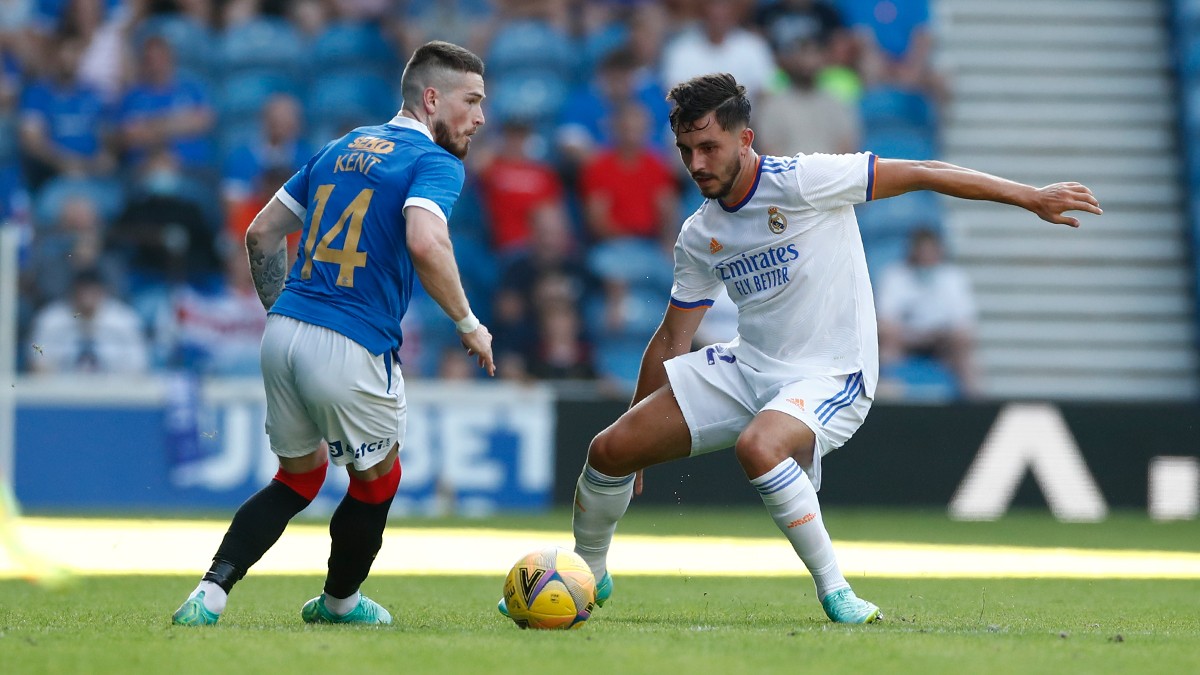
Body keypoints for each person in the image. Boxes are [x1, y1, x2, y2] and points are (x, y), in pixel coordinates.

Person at [500, 72, 1101, 624]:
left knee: (761, 447)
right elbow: (674, 336)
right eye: (686, 151)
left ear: (745, 138)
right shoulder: (700, 233)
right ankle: (587, 575)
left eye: (709, 147)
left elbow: (921, 170)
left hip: (830, 373)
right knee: (607, 449)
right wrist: (637, 436)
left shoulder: (806, 180)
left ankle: (836, 590)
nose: (697, 163)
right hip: (749, 366)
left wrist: (1029, 196)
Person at [172, 40, 494, 627]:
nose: (480, 118)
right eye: (471, 101)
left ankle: (209, 594)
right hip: (349, 341)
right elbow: (426, 241)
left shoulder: (338, 146)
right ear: (431, 100)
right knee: (378, 480)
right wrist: (468, 323)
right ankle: (340, 603)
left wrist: (285, 315)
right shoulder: (435, 162)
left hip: (285, 329)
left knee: (298, 477)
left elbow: (260, 234)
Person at [876, 227, 979, 398]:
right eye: (922, 252)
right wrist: (915, 337)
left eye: (930, 252)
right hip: (905, 342)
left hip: (942, 343)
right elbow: (886, 322)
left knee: (965, 346)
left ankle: (973, 404)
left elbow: (964, 323)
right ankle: (886, 397)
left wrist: (938, 336)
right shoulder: (895, 276)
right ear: (913, 253)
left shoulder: (954, 278)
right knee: (887, 344)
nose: (926, 257)